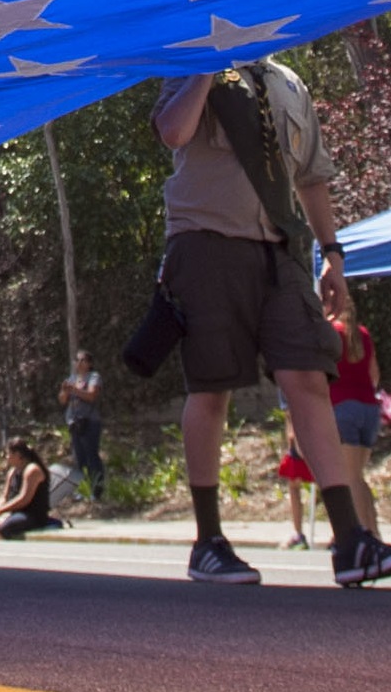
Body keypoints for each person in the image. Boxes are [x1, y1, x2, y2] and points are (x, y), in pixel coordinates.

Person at [150, 62, 389, 586]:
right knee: (212, 387)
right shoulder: (192, 62)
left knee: (308, 376)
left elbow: (312, 176)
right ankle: (209, 541)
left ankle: (350, 539)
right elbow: (174, 132)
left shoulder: (290, 83)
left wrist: (332, 255)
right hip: (205, 240)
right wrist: (208, 65)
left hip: (282, 250)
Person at [329, 308, 379, 537]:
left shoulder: (332, 332)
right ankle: (374, 530)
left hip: (343, 406)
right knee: (358, 476)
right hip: (369, 407)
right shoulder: (362, 333)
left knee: (350, 478)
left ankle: (364, 534)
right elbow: (374, 374)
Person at [0, 439, 64, 540]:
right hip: (15, 512)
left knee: (6, 526)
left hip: (32, 515)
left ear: (17, 454)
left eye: (8, 454)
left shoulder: (32, 470)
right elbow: (5, 497)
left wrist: (1, 510)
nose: (6, 457)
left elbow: (24, 499)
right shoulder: (12, 472)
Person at [58, 350, 104, 503]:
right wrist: (65, 391)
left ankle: (97, 490)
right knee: (79, 458)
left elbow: (91, 396)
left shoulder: (94, 377)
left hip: (90, 421)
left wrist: (74, 390)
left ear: (89, 363)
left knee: (92, 456)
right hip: (74, 422)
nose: (78, 363)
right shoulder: (71, 379)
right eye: (76, 360)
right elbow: (62, 400)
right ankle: (83, 489)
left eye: (82, 360)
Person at [278, 415, 315, 550]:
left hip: (303, 437)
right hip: (315, 436)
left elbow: (290, 414)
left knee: (295, 485)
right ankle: (298, 533)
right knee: (294, 484)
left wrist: (294, 439)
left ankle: (298, 533)